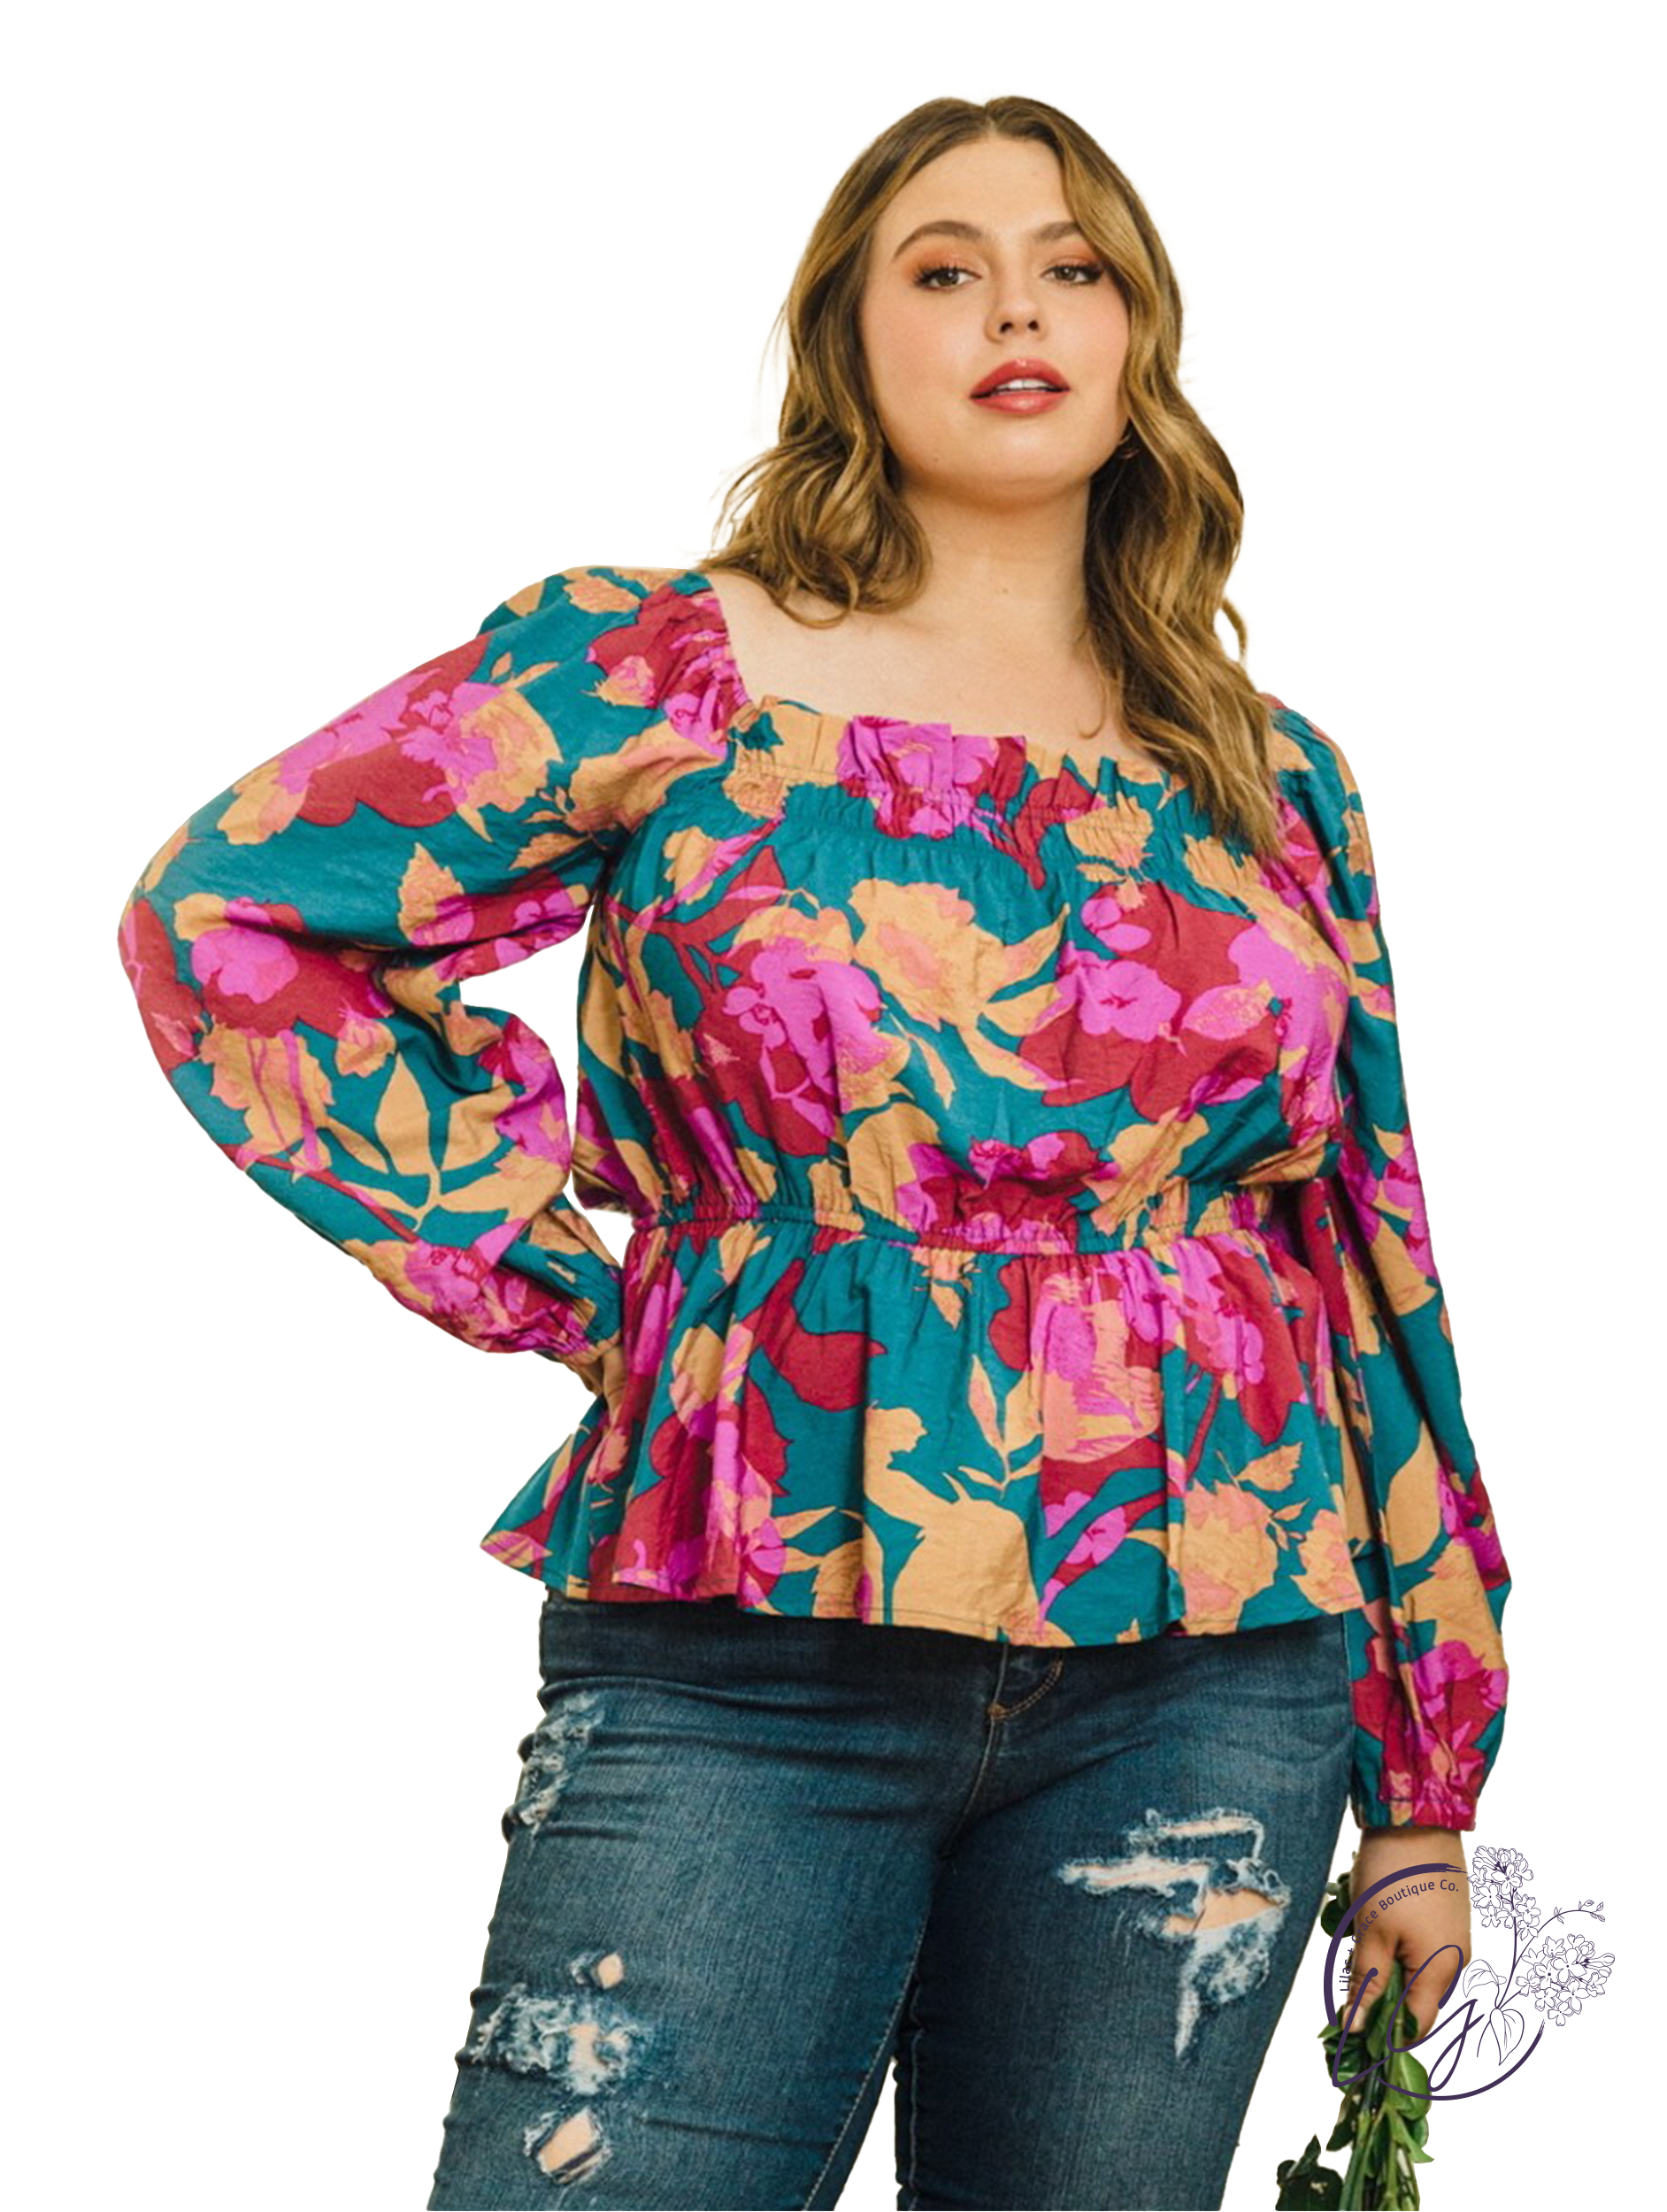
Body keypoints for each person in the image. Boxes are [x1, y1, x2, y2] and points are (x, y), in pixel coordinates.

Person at [113, 95, 1511, 2212]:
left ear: (1140, 336)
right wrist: (573, 1279)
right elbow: (230, 917)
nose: (1017, 310)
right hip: (752, 1637)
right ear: (848, 338)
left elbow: (1364, 1247)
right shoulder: (656, 666)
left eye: (1073, 268)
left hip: (1220, 1676)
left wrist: (1422, 1772)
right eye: (945, 269)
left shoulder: (1266, 774)